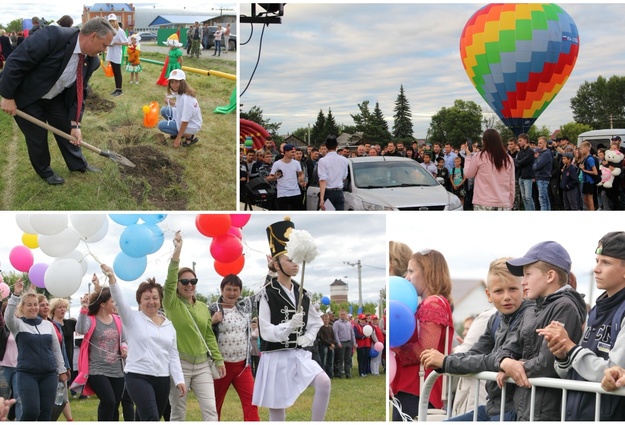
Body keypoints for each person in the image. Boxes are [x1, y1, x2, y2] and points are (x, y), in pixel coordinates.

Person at [0, 17, 114, 185]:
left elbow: (79, 91)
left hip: (54, 97)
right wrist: (7, 97)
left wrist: (76, 124)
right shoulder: (53, 37)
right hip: (27, 97)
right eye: (104, 45)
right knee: (37, 137)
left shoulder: (92, 61)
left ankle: (78, 165)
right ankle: (45, 171)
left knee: (67, 130)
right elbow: (16, 61)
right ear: (93, 36)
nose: (104, 50)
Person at [420, 257, 532, 421]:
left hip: (514, 411)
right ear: (488, 294)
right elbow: (474, 353)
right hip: (493, 406)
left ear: (523, 289)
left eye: (513, 289)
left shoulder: (529, 316)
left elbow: (493, 360)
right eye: (499, 291)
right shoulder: (496, 319)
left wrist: (445, 362)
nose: (507, 296)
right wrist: (447, 360)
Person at [537, 231, 625, 421]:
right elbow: (576, 371)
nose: (596, 269)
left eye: (606, 262)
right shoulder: (596, 309)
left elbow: (614, 372)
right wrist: (562, 355)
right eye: (597, 261)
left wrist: (570, 347)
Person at [494, 241, 587, 421]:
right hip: (527, 404)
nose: (523, 281)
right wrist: (506, 361)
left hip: (545, 409)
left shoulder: (564, 307)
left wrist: (516, 367)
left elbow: (548, 361)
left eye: (528, 274)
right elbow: (513, 346)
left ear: (550, 276)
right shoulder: (534, 307)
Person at [253, 217, 331, 421]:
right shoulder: (266, 293)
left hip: (298, 353)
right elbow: (266, 331)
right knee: (278, 410)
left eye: (296, 259)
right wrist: (288, 326)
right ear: (276, 264)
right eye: (290, 260)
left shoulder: (303, 292)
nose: (295, 264)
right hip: (275, 357)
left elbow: (316, 321)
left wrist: (309, 336)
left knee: (324, 382)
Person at [102, 265, 185, 421]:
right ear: (139, 301)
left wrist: (179, 379)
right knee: (151, 418)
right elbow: (119, 301)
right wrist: (112, 279)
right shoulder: (132, 318)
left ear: (160, 300)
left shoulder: (169, 325)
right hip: (138, 375)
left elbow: (173, 355)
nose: (151, 302)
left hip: (162, 378)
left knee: (145, 418)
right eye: (146, 298)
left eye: (155, 298)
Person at [163, 231, 225, 421]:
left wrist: (219, 359)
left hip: (202, 366)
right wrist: (177, 251)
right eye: (185, 281)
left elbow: (208, 336)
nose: (189, 285)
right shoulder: (171, 303)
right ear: (178, 284)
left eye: (193, 281)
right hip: (179, 365)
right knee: (178, 412)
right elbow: (170, 279)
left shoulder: (202, 307)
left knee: (210, 411)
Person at [391, 249, 454, 421]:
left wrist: (397, 349)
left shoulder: (432, 303)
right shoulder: (430, 303)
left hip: (419, 389)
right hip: (416, 388)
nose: (407, 278)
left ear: (428, 272)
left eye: (411, 271)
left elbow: (426, 348)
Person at [5, 279, 66, 421]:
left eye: (35, 305)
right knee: (31, 412)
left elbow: (56, 350)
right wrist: (15, 295)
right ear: (22, 308)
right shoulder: (18, 325)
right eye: (29, 305)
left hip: (49, 374)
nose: (33, 308)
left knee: (46, 414)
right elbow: (8, 317)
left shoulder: (47, 325)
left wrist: (62, 370)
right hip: (27, 375)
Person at [209, 274, 260, 421]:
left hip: (243, 366)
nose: (232, 293)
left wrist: (272, 272)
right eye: (228, 289)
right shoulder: (212, 308)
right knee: (214, 406)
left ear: (240, 291)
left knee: (252, 402)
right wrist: (212, 321)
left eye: (235, 290)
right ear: (222, 290)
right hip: (220, 367)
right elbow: (201, 330)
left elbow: (261, 294)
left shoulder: (245, 307)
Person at [74, 283, 127, 421]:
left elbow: (124, 339)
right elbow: (80, 329)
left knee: (115, 404)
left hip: (117, 370)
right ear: (103, 304)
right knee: (108, 401)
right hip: (97, 370)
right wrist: (84, 309)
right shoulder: (91, 320)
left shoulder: (118, 320)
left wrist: (124, 347)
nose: (115, 304)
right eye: (112, 301)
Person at [463, 128, 515, 210]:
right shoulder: (508, 159)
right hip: (503, 203)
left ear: (484, 141)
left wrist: (468, 156)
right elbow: (511, 183)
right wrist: (510, 202)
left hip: (483, 202)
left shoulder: (479, 156)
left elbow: (468, 175)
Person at [157, 69, 202, 148]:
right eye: (172, 82)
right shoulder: (181, 92)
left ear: (182, 82)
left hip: (191, 125)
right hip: (183, 119)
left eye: (177, 82)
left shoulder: (187, 99)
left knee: (161, 125)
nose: (174, 85)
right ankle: (178, 132)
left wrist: (178, 138)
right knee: (164, 110)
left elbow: (185, 121)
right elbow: (181, 107)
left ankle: (189, 137)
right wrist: (171, 103)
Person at [48, 298, 76, 422]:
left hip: (66, 360)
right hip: (53, 363)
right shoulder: (49, 324)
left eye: (64, 307)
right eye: (60, 307)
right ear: (53, 309)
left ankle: (69, 419)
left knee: (62, 395)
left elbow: (83, 326)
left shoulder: (69, 323)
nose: (63, 309)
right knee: (59, 396)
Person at [266, 144, 306, 210]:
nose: (294, 154)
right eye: (292, 152)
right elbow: (269, 178)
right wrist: (275, 177)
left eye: (294, 152)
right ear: (286, 152)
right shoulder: (277, 164)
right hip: (283, 193)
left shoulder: (296, 163)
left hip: (295, 192)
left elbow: (301, 174)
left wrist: (301, 178)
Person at [0, 302, 21, 420]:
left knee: (19, 398)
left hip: (19, 367)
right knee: (3, 398)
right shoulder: (2, 328)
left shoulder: (20, 326)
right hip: (3, 367)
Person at [318, 135, 349, 211]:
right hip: (339, 192)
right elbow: (344, 177)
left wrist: (321, 199)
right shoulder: (344, 160)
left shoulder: (323, 160)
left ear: (326, 146)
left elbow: (323, 180)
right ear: (337, 146)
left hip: (328, 192)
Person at [105, 14, 128, 96]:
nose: (111, 23)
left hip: (116, 54)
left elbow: (127, 43)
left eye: (113, 21)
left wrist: (116, 43)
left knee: (118, 72)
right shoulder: (110, 30)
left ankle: (119, 90)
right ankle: (117, 89)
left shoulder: (120, 31)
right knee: (114, 72)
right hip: (111, 53)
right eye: (110, 21)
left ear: (116, 21)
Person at [515, 133, 535, 210]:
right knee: (523, 197)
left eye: (520, 140)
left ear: (525, 140)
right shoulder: (520, 152)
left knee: (528, 197)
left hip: (527, 177)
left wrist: (520, 162)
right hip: (521, 176)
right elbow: (517, 163)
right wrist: (520, 162)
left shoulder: (530, 151)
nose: (519, 142)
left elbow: (524, 161)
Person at [532, 136, 553, 210]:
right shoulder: (540, 153)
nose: (539, 144)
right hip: (539, 178)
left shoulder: (546, 154)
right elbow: (536, 165)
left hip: (543, 178)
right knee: (545, 198)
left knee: (542, 199)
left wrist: (535, 160)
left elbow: (537, 166)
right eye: (538, 143)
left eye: (540, 143)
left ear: (545, 143)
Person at [579, 140, 599, 211]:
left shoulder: (590, 159)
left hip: (589, 181)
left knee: (590, 200)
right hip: (585, 181)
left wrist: (584, 170)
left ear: (587, 149)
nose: (580, 151)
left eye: (581, 149)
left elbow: (595, 172)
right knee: (585, 200)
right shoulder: (585, 158)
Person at [317, 314, 335, 378]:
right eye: (325, 319)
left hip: (331, 346)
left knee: (330, 361)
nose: (326, 320)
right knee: (323, 361)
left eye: (327, 319)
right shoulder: (321, 328)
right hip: (324, 346)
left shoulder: (330, 327)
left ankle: (330, 374)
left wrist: (332, 344)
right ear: (322, 319)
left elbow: (333, 336)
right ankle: (323, 375)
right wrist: (330, 344)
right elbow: (322, 338)